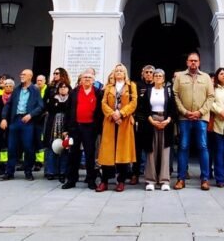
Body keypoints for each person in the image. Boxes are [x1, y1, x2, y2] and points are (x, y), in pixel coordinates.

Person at [173, 51, 214, 191]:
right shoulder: (179, 77)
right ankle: (181, 179)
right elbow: (175, 95)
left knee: (203, 146)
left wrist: (200, 112)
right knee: (183, 146)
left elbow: (211, 97)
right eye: (191, 60)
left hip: (201, 118)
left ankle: (204, 179)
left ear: (199, 62)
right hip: (184, 118)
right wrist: (185, 112)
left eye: (195, 61)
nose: (193, 63)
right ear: (187, 62)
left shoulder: (206, 77)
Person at [97, 64, 137, 192]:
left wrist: (121, 113)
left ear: (125, 74)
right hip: (110, 121)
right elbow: (103, 103)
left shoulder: (131, 86)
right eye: (116, 71)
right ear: (113, 74)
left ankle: (121, 181)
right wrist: (113, 114)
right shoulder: (109, 87)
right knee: (108, 152)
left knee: (122, 152)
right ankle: (105, 181)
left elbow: (134, 103)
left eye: (121, 71)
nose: (119, 72)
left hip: (124, 122)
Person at [62, 70, 103, 190]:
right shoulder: (74, 92)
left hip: (90, 128)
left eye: (90, 77)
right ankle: (71, 180)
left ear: (93, 80)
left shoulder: (98, 93)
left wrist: (99, 128)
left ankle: (91, 180)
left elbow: (100, 112)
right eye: (85, 77)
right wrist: (66, 129)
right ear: (81, 80)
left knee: (90, 154)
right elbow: (68, 111)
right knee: (73, 154)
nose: (87, 79)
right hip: (75, 127)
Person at [0, 69, 44, 181]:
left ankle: (28, 171)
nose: (21, 76)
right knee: (11, 147)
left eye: (24, 74)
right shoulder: (16, 90)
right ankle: (9, 172)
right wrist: (4, 118)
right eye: (21, 74)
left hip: (27, 122)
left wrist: (31, 115)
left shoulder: (35, 90)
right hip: (15, 121)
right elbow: (8, 105)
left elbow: (40, 106)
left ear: (30, 76)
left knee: (28, 147)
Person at [138, 68, 176, 191]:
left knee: (165, 151)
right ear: (153, 78)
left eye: (160, 76)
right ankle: (151, 180)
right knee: (151, 151)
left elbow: (172, 108)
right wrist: (151, 120)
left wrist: (168, 120)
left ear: (164, 79)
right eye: (156, 75)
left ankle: (164, 180)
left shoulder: (168, 91)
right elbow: (143, 109)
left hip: (165, 121)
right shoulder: (148, 91)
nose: (158, 77)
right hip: (151, 121)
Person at [131, 64, 156, 184]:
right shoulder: (137, 85)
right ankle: (135, 174)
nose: (149, 74)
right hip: (140, 121)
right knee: (137, 148)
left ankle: (150, 174)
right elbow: (133, 102)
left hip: (153, 121)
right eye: (147, 72)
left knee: (150, 149)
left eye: (151, 72)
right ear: (143, 73)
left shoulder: (157, 86)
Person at [43, 81, 71, 182]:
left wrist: (58, 105)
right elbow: (51, 108)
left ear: (68, 89)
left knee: (64, 148)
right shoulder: (52, 98)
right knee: (52, 148)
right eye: (61, 87)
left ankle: (63, 172)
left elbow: (67, 109)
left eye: (65, 87)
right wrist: (58, 105)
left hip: (66, 127)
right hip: (53, 127)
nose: (63, 88)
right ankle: (51, 171)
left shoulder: (71, 98)